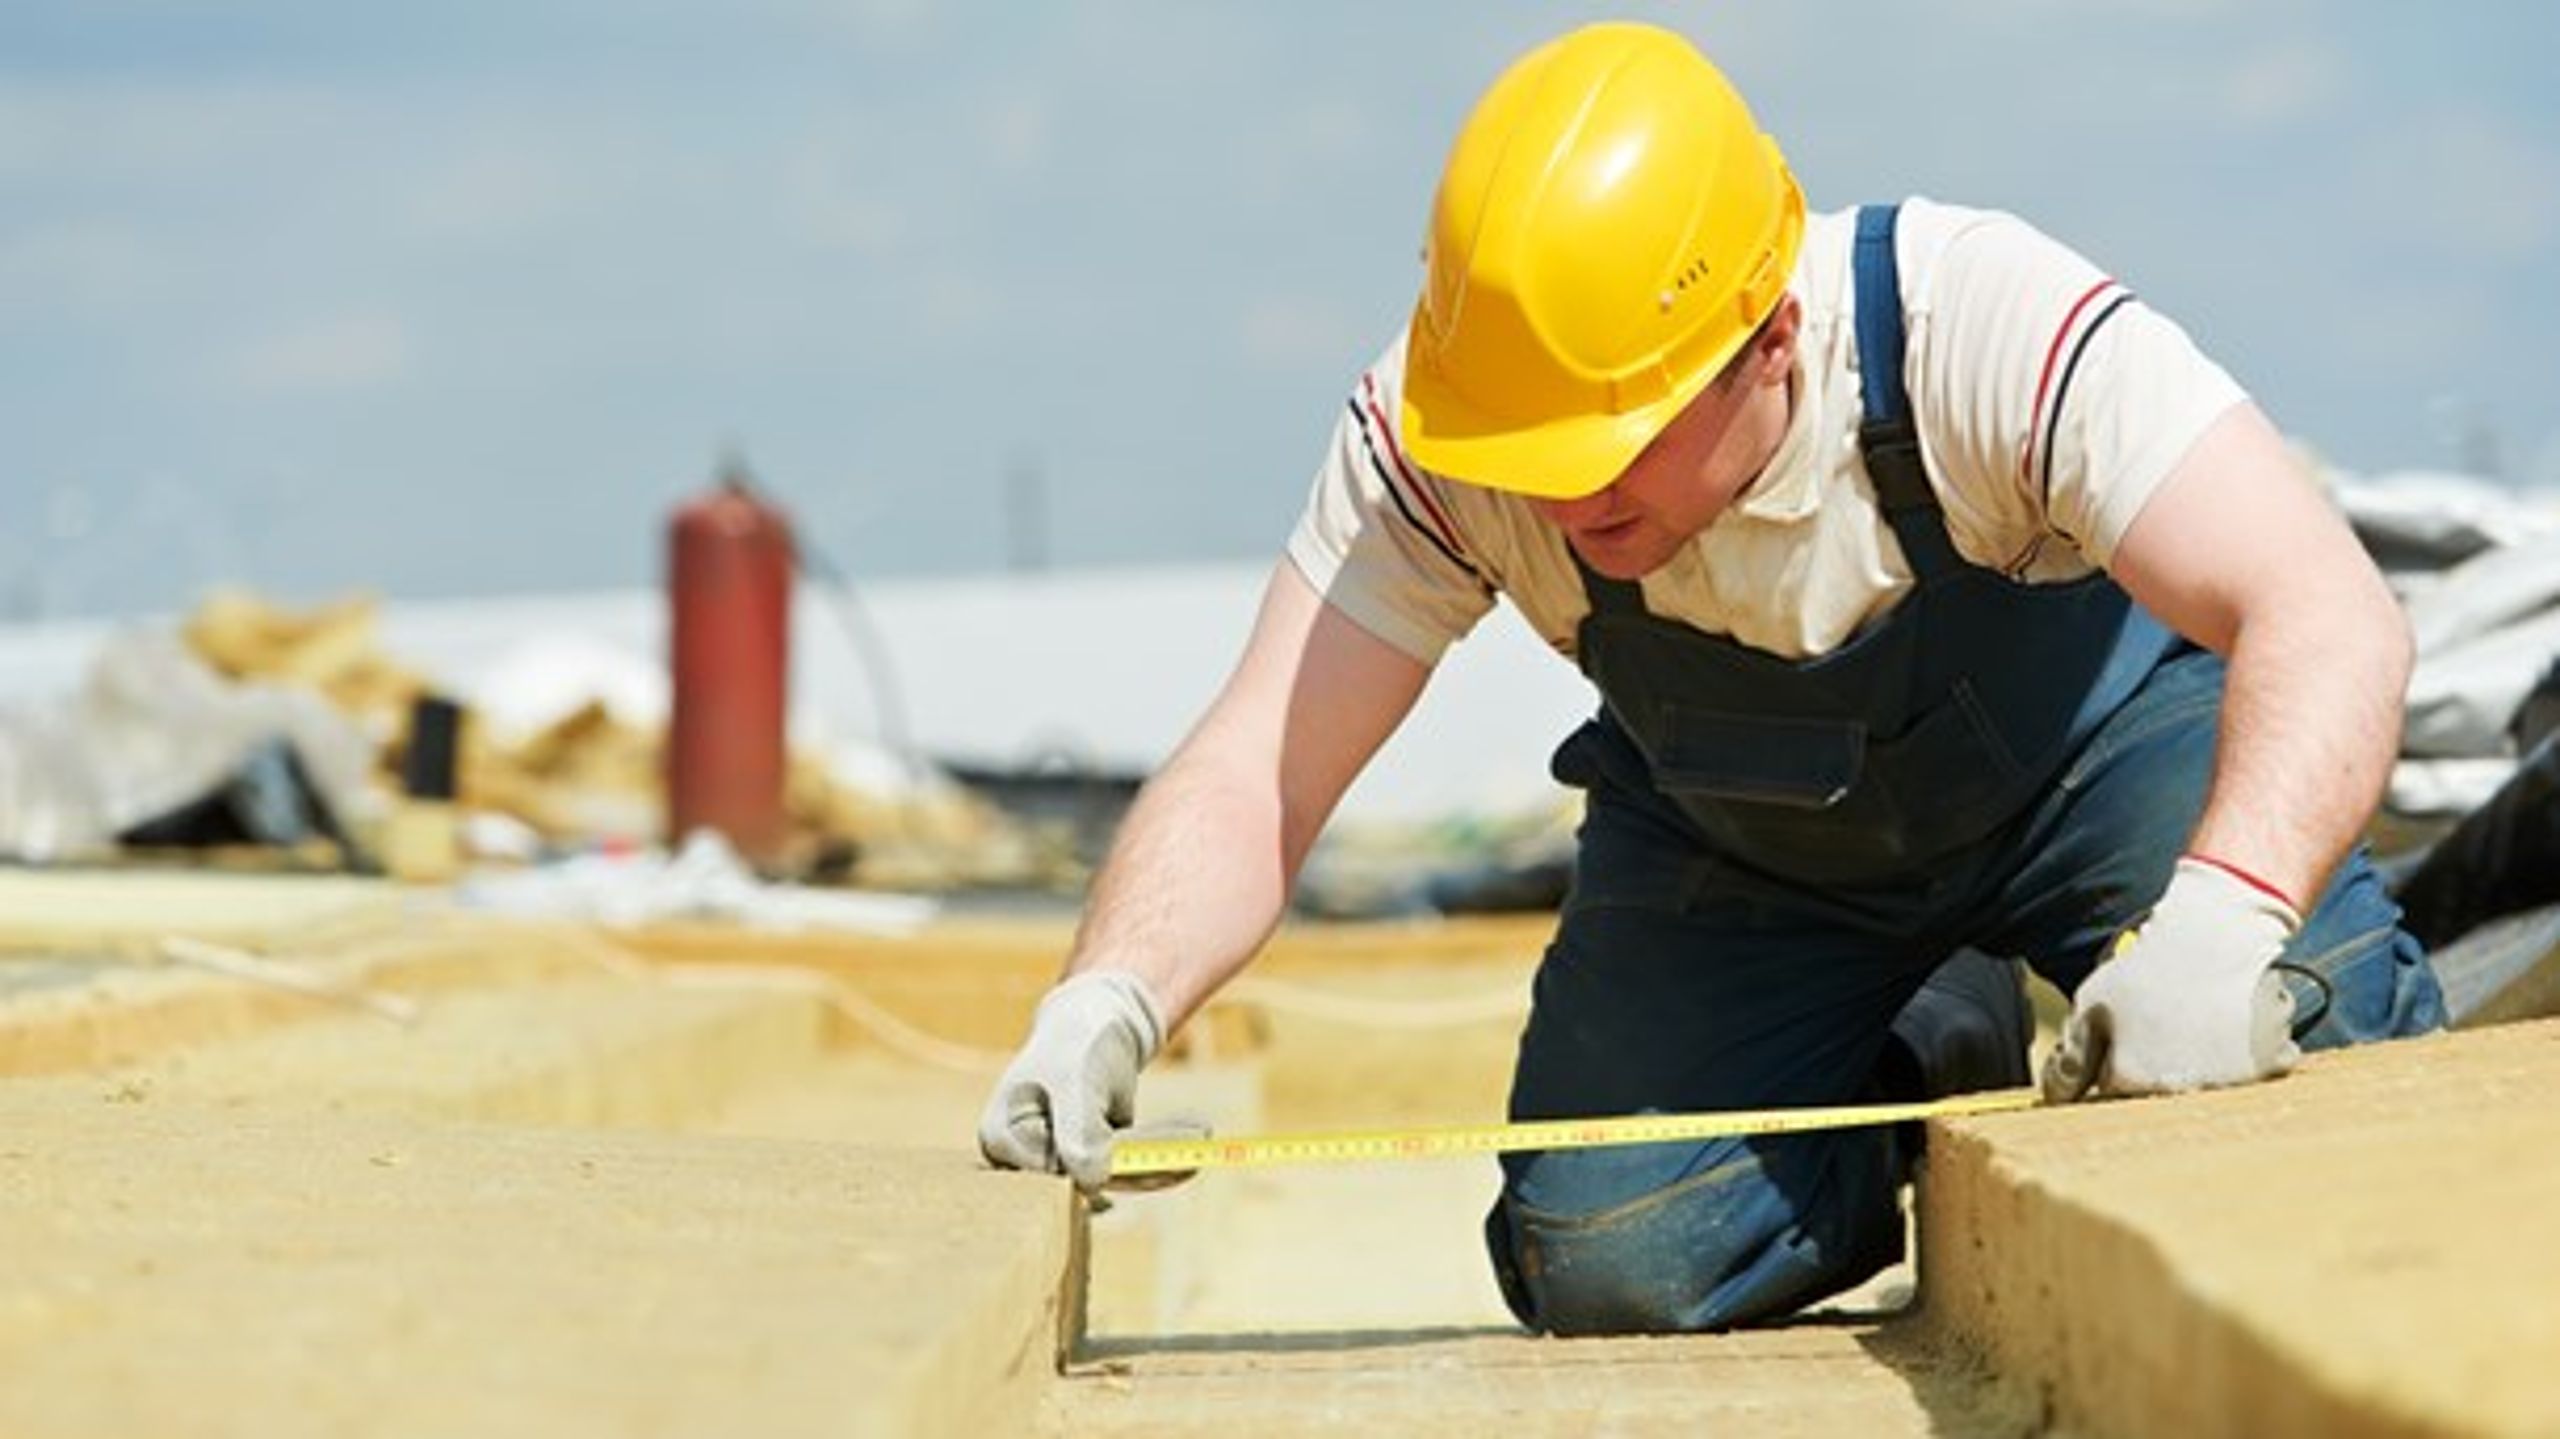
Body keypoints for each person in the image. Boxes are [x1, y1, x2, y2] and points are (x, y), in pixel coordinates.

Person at [978, 21, 2446, 1333]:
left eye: (1615, 443)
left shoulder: (1976, 326)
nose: (1567, 500)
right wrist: (1106, 997)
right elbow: (1258, 766)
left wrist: (2220, 923)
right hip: (1754, 852)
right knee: (1614, 1253)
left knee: (2312, 1044)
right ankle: (1932, 1036)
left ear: (1773, 337)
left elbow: (2327, 611)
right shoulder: (1448, 432)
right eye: (1533, 456)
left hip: (2092, 772)